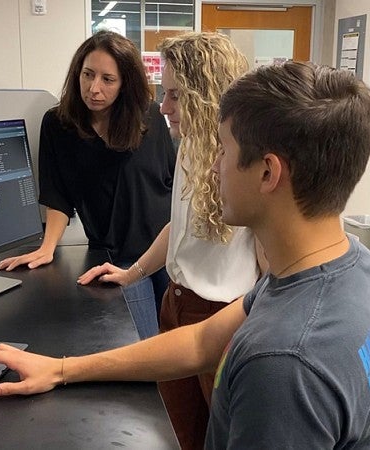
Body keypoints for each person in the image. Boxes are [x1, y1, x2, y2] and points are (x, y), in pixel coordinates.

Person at [0, 61, 370, 449]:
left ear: (268, 172)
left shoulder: (282, 365)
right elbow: (200, 341)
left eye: (224, 152)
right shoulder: (356, 267)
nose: (214, 168)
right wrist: (62, 369)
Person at [76, 32, 259, 448]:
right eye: (165, 93)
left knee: (225, 438)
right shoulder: (191, 145)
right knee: (180, 435)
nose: (164, 107)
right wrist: (132, 273)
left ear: (206, 94)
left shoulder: (243, 161)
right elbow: (179, 225)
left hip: (223, 316)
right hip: (176, 304)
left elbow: (271, 268)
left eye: (175, 96)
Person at [0, 31, 175, 339]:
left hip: (167, 250)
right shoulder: (58, 124)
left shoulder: (150, 116)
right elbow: (58, 194)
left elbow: (169, 183)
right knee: (143, 343)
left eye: (108, 79)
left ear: (125, 83)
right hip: (118, 257)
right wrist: (47, 247)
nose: (94, 89)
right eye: (88, 75)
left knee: (176, 347)